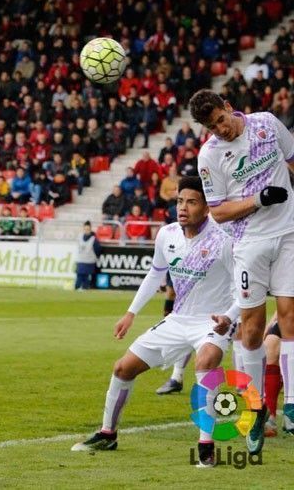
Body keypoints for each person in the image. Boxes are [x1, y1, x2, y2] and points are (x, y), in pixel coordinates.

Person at [71, 177, 239, 467]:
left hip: (212, 321)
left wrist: (229, 317)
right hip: (177, 320)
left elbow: (244, 289)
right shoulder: (167, 235)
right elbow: (155, 274)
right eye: (179, 201)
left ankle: (206, 446)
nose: (183, 208)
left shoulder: (224, 241)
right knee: (123, 368)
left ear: (207, 207)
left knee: (206, 361)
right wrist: (131, 312)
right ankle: (108, 433)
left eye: (191, 202)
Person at [191, 89, 294, 453]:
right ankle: (255, 407)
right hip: (248, 243)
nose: (221, 129)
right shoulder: (210, 156)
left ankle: (292, 405)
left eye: (221, 119)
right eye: (212, 126)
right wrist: (258, 199)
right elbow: (217, 212)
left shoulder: (266, 124)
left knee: (289, 314)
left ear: (229, 108)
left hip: (289, 233)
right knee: (251, 328)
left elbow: (293, 158)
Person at [74, 221, 101, 290]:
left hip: (89, 262)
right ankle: (77, 289)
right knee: (79, 277)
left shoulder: (94, 239)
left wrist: (95, 258)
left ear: (90, 229)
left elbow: (98, 250)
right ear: (83, 229)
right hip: (80, 260)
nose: (86, 231)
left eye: (88, 229)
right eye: (85, 229)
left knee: (86, 278)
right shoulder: (79, 236)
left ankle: (85, 289)